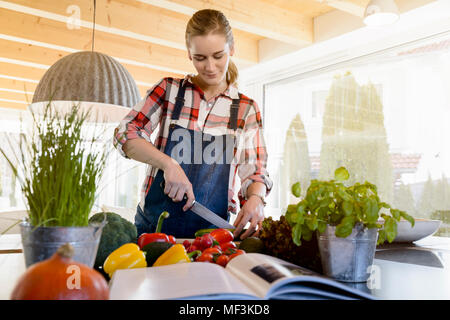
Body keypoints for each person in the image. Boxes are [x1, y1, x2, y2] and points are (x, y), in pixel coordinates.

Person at [113, 9, 272, 240]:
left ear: (232, 49)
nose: (209, 67)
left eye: (218, 56)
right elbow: (125, 134)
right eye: (200, 58)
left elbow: (255, 170)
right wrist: (168, 164)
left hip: (210, 236)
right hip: (153, 230)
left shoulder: (246, 109)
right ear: (189, 54)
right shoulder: (169, 91)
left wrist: (256, 199)